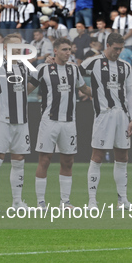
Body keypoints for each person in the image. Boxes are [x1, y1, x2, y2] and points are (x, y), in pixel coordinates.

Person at [30, 37, 92, 210]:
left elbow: (84, 89)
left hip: (69, 122)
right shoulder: (42, 69)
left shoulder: (74, 69)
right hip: (49, 121)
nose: (68, 53)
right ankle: (41, 203)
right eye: (64, 49)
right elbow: (27, 89)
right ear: (55, 51)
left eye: (70, 50)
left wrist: (103, 94)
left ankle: (65, 202)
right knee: (44, 160)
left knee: (68, 161)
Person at [81, 32, 132, 210]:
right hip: (104, 114)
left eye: (121, 49)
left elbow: (129, 93)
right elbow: (74, 73)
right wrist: (89, 91)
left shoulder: (125, 66)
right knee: (97, 156)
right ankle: (92, 201)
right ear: (107, 45)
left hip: (122, 114)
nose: (118, 52)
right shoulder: (94, 61)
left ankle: (123, 200)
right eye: (115, 49)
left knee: (122, 157)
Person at [0, 34, 38, 213]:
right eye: (15, 46)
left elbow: (34, 82)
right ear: (6, 48)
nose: (19, 49)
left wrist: (23, 92)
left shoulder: (25, 67)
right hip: (3, 121)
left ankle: (17, 202)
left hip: (21, 122)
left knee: (19, 161)